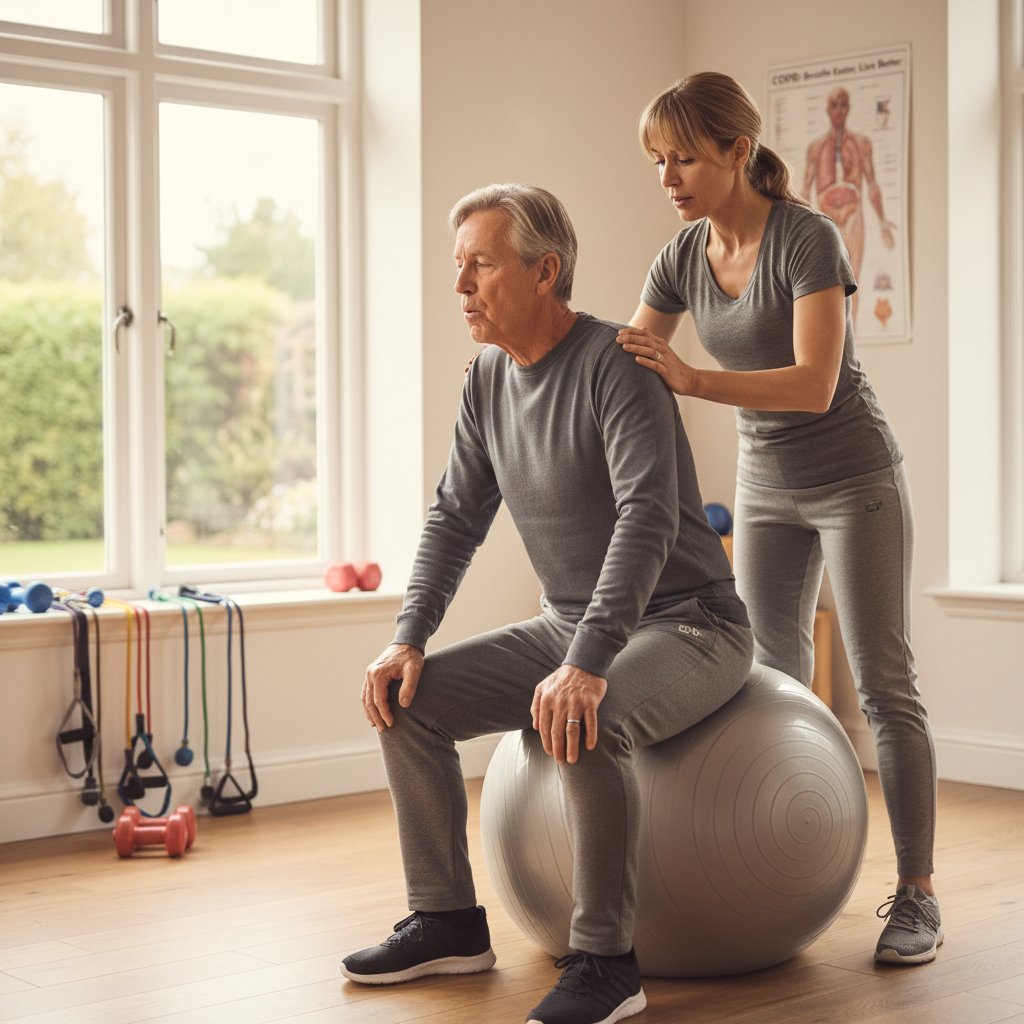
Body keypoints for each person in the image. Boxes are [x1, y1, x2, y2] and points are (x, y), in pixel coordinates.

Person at [341, 183, 753, 1024]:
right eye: (457, 268)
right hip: (570, 622)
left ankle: (607, 963)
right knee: (406, 704)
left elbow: (643, 520)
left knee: (583, 719)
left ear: (544, 271)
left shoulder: (620, 367)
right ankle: (449, 922)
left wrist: (587, 662)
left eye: (480, 266)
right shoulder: (488, 379)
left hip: (690, 622)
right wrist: (408, 637)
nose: (459, 287)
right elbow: (456, 516)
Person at [616, 72, 941, 966]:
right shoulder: (682, 254)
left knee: (883, 684)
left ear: (736, 149)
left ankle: (915, 894)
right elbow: (631, 359)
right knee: (768, 674)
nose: (669, 175)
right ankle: (786, 863)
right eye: (657, 160)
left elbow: (814, 384)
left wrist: (693, 380)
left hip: (854, 476)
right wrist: (530, 367)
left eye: (683, 155)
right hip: (764, 485)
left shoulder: (807, 238)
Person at [801, 85, 897, 318]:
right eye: (835, 105)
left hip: (854, 217)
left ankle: (848, 350)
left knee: (851, 282)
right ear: (827, 109)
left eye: (843, 105)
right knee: (824, 285)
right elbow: (804, 191)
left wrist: (883, 221)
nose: (839, 111)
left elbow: (872, 184)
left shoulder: (861, 144)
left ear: (849, 109)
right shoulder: (816, 148)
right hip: (826, 219)